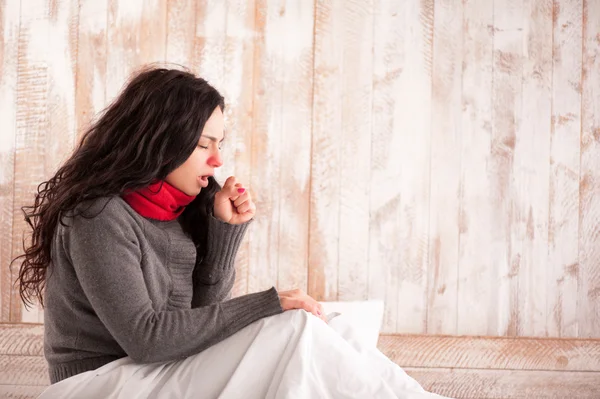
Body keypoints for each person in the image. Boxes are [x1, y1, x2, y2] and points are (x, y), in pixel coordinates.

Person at [14, 66, 451, 398]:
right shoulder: (100, 217)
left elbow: (199, 328)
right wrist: (268, 305)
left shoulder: (178, 214)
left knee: (334, 325)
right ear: (160, 140)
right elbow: (148, 339)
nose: (217, 160)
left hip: (151, 375)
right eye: (205, 144)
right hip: (99, 386)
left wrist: (222, 234)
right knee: (293, 329)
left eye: (219, 144)